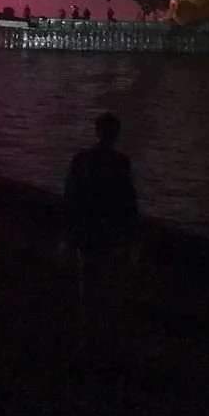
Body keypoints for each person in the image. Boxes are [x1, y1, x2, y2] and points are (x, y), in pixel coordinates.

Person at [62, 112, 139, 353]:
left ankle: (88, 335)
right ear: (116, 135)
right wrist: (130, 239)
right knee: (109, 287)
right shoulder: (122, 162)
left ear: (97, 132)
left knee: (88, 285)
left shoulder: (82, 160)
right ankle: (106, 337)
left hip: (88, 232)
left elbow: (70, 198)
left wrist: (69, 236)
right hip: (111, 234)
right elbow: (129, 204)